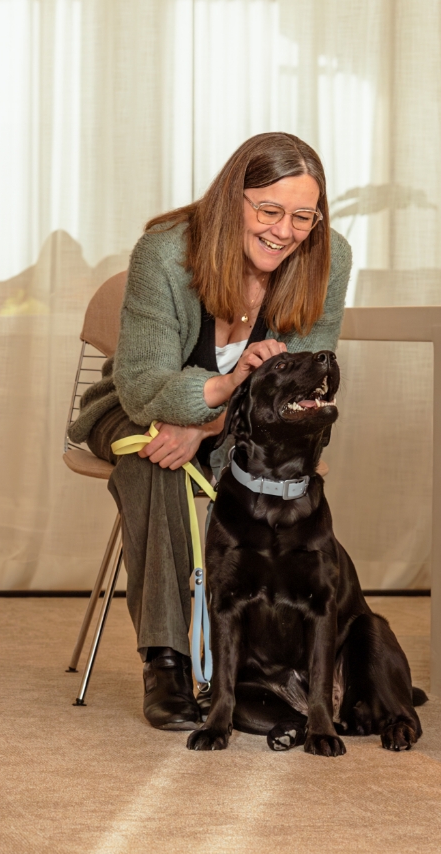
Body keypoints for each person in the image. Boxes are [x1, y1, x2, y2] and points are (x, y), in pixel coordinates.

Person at [85, 132, 350, 730]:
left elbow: (300, 391)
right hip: (133, 409)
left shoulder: (330, 258)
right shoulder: (165, 253)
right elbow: (142, 384)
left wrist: (205, 430)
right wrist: (222, 394)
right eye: (270, 211)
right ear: (235, 198)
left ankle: (254, 662)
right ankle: (167, 660)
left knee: (194, 455)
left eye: (303, 217)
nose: (285, 232)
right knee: (153, 462)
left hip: (239, 428)